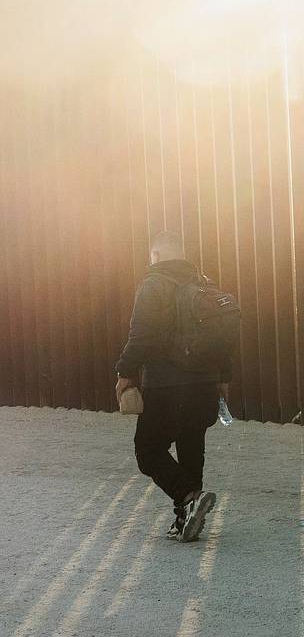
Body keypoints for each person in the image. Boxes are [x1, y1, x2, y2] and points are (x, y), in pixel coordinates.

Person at [115, 230, 228, 542]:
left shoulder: (153, 285)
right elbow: (224, 340)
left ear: (157, 256)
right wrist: (222, 379)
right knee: (192, 446)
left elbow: (141, 335)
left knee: (147, 450)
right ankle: (185, 519)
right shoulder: (205, 285)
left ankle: (189, 498)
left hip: (166, 385)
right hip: (205, 384)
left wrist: (125, 372)